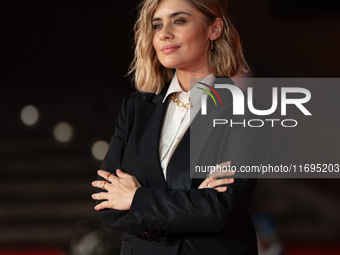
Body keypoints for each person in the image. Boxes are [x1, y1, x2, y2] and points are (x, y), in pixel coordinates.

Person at [91, 0, 270, 254]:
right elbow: (106, 205)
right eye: (157, 24)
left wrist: (135, 198)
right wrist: (193, 201)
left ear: (214, 29)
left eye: (179, 20)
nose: (164, 33)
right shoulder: (136, 108)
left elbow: (219, 209)